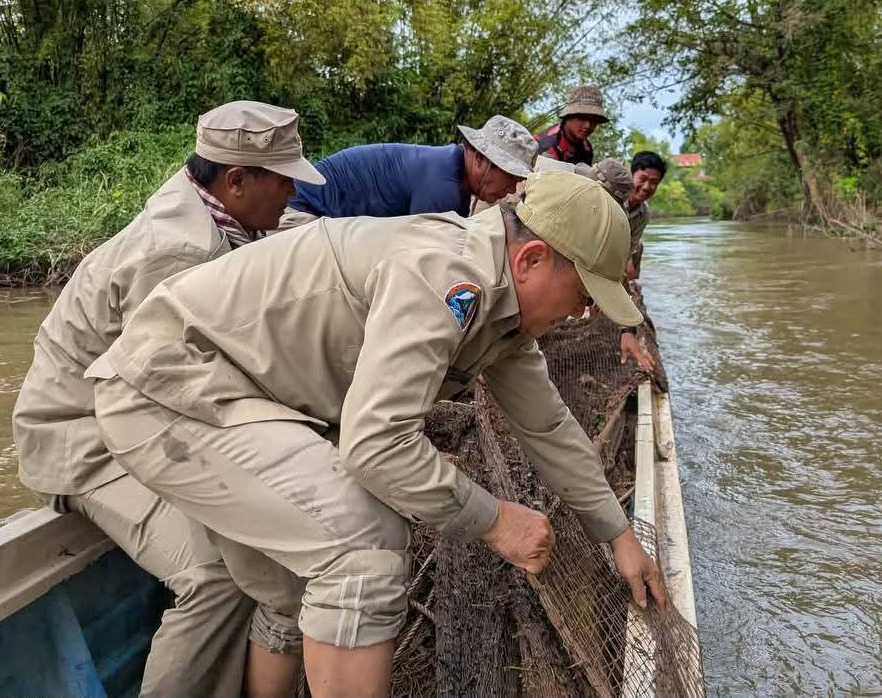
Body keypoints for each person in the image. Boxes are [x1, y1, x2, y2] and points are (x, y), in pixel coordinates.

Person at [87, 170, 666, 698]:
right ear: (532, 260)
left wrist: (617, 534)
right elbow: (376, 446)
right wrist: (496, 521)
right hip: (167, 392)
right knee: (365, 545)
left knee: (290, 591)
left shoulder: (502, 307)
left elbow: (547, 425)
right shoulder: (448, 276)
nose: (581, 313)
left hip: (234, 399)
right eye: (583, 295)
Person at [11, 101, 326, 697]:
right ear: (237, 180)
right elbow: (168, 399)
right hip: (83, 435)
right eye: (284, 180)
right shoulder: (177, 253)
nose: (292, 193)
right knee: (218, 575)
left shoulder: (220, 214)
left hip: (125, 415)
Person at [280, 115, 536, 227]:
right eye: (510, 176)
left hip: (320, 218)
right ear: (480, 158)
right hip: (301, 216)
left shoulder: (451, 171)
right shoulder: (442, 184)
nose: (512, 188)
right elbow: (424, 259)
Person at [618, 151, 668, 374]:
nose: (647, 187)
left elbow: (624, 254)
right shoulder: (612, 197)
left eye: (654, 182)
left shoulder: (643, 214)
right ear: (632, 174)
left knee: (629, 269)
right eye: (643, 179)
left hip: (618, 253)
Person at [535, 85, 609, 166]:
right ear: (568, 116)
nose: (588, 125)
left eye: (594, 120)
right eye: (582, 117)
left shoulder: (586, 147)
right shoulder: (545, 145)